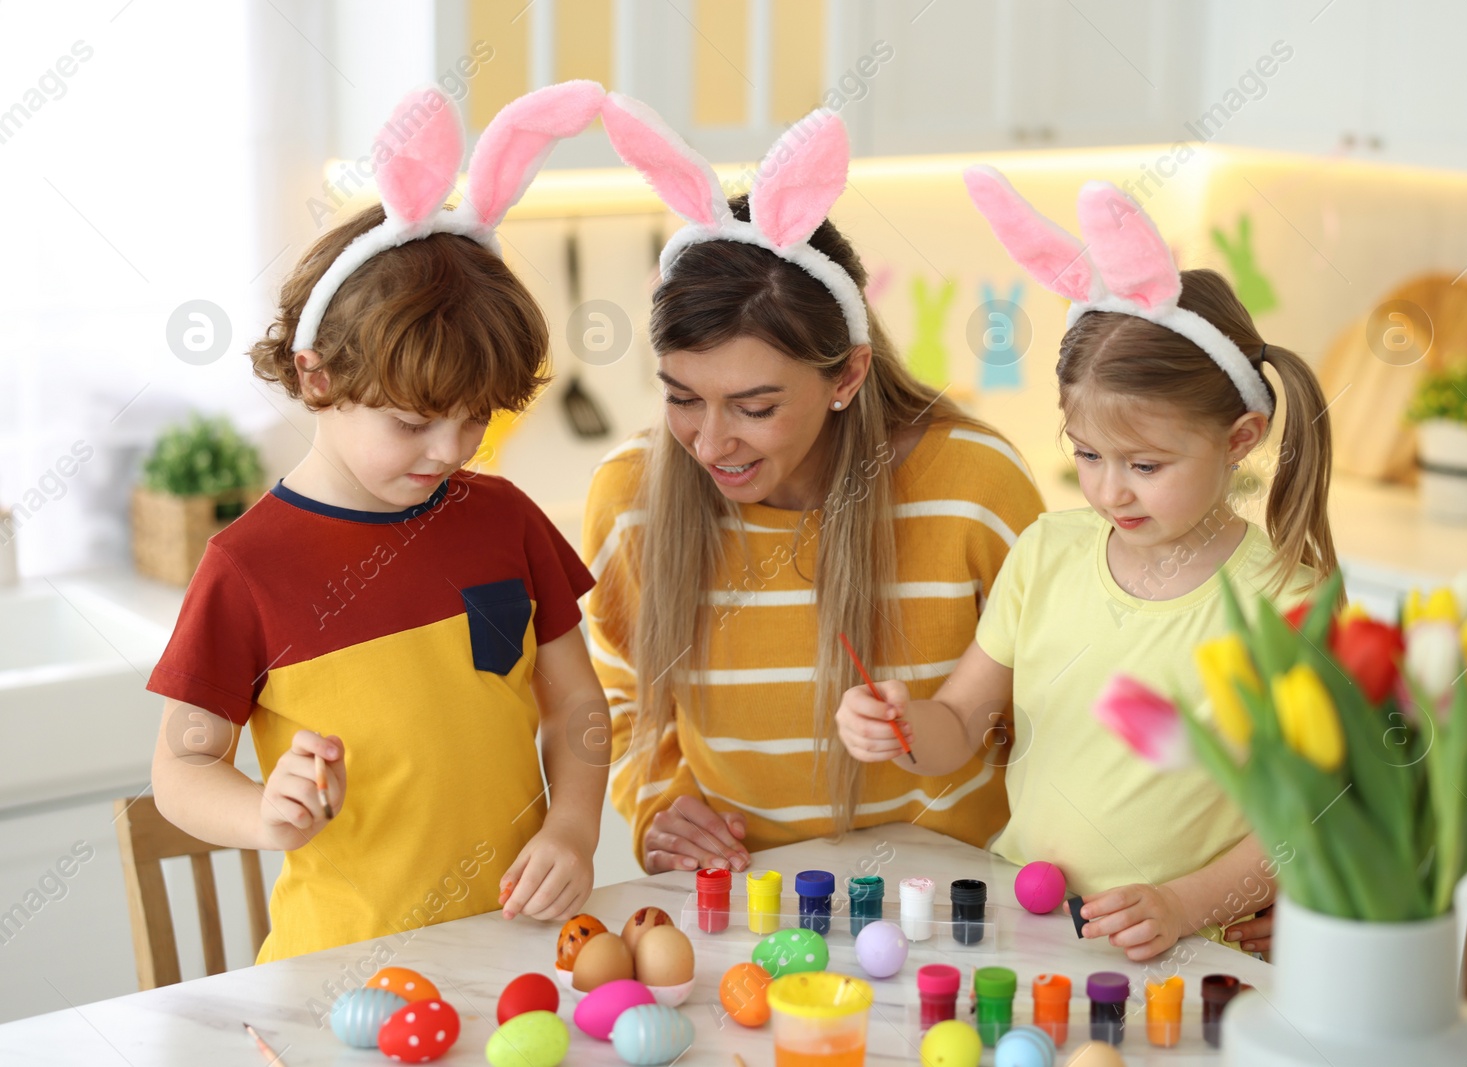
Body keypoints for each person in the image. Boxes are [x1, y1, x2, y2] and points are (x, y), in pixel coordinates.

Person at [147, 83, 611, 961]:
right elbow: (180, 769)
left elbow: (579, 704)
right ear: (317, 376)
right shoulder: (247, 566)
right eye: (413, 421)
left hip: (512, 949)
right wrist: (261, 811)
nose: (451, 450)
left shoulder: (505, 520)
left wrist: (576, 827)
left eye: (477, 419)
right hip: (339, 973)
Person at [837, 172, 1338, 961]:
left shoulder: (1288, 603)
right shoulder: (1046, 552)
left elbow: (1306, 822)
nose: (1109, 489)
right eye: (1089, 454)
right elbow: (960, 725)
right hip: (1025, 926)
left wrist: (1182, 903)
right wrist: (901, 727)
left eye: (1145, 463)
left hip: (1183, 949)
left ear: (1241, 437)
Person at [583, 95, 1045, 874]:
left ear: (847, 375)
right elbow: (621, 698)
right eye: (682, 397)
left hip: (956, 904)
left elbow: (1058, 700)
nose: (711, 440)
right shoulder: (632, 500)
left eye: (756, 406)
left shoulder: (974, 486)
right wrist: (661, 804)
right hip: (744, 905)